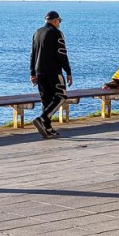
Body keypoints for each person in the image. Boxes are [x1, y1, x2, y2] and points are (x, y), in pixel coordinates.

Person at [30, 10, 72, 139]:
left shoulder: (37, 33)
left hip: (39, 72)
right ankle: (43, 118)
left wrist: (32, 73)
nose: (59, 24)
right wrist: (68, 71)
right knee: (61, 96)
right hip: (54, 72)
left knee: (46, 100)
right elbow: (62, 54)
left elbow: (33, 54)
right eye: (59, 21)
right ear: (55, 20)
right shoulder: (56, 33)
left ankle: (47, 127)